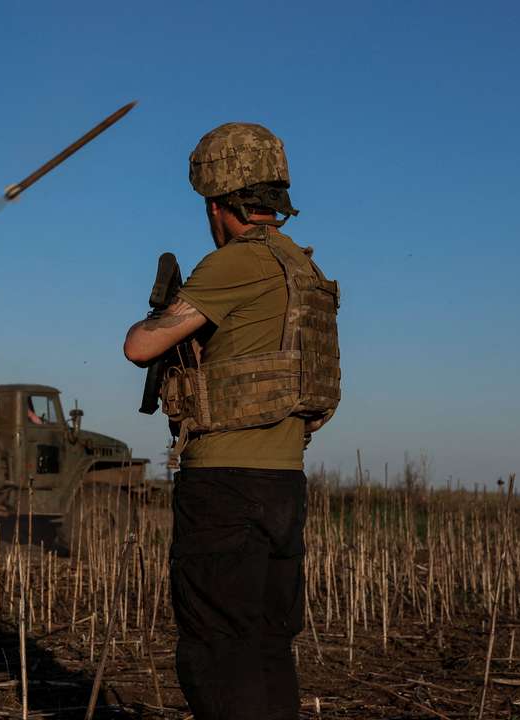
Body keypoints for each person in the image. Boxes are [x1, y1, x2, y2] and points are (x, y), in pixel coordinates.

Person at [122, 123, 341, 720]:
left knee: (217, 649)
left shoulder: (235, 264)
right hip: (283, 486)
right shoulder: (305, 270)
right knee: (268, 646)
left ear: (218, 205)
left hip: (225, 485)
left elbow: (140, 347)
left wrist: (158, 314)